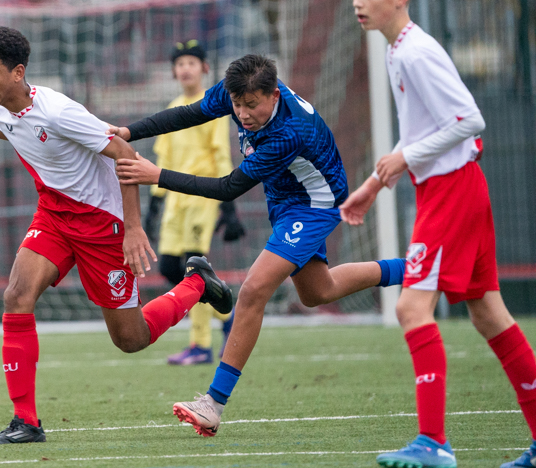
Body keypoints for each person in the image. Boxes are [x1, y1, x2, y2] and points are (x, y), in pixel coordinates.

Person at [0, 26, 233, 445]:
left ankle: (198, 282)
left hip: (102, 226)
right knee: (17, 296)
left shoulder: (58, 111)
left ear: (18, 72)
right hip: (54, 216)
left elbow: (124, 152)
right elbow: (2, 127)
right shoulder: (6, 105)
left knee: (131, 339)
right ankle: (26, 422)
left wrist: (132, 228)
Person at [111, 53, 406, 437]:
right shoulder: (237, 91)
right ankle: (416, 266)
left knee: (253, 290)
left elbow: (228, 187)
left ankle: (212, 405)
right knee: (320, 291)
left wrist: (157, 175)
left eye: (252, 106)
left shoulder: (289, 131)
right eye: (237, 105)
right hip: (285, 197)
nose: (243, 113)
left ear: (274, 95)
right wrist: (128, 132)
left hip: (315, 204)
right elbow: (188, 114)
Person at [342, 0, 536, 468]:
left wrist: (404, 157)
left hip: (452, 191)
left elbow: (469, 119)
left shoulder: (415, 52)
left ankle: (433, 442)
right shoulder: (396, 49)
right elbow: (422, 134)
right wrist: (372, 186)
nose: (358, 1)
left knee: (411, 309)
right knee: (488, 312)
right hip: (454, 187)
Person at [144, 40, 244, 366]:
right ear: (174, 70)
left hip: (203, 196)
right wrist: (154, 207)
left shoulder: (212, 107)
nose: (186, 68)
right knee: (170, 268)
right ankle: (223, 314)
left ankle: (200, 345)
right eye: (180, 63)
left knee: (192, 268)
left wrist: (228, 207)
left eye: (192, 62)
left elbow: (221, 155)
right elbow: (163, 159)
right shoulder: (173, 109)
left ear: (204, 68)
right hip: (175, 200)